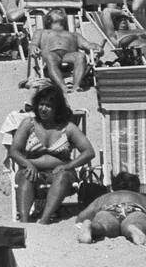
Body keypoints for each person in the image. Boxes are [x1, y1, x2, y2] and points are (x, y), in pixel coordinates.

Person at [8, 84, 95, 223]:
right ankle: (24, 221)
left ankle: (45, 219)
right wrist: (27, 164)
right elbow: (14, 150)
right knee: (26, 174)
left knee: (63, 176)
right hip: (33, 170)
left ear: (57, 109)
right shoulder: (28, 124)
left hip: (60, 173)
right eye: (41, 104)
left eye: (48, 106)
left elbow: (89, 152)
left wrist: (68, 166)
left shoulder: (68, 128)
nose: (43, 108)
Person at [74, 171, 146, 245]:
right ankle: (134, 227)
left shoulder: (105, 197)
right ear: (137, 188)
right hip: (134, 208)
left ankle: (92, 227)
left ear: (113, 187)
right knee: (137, 221)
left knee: (103, 224)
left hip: (110, 209)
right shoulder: (140, 197)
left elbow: (82, 215)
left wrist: (82, 219)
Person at [28, 8, 96, 93]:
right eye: (56, 12)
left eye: (61, 12)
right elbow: (33, 44)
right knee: (50, 56)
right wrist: (33, 47)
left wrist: (96, 47)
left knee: (80, 56)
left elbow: (88, 45)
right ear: (48, 19)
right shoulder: (41, 32)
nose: (60, 12)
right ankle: (63, 87)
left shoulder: (73, 34)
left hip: (68, 55)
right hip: (51, 54)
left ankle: (76, 85)